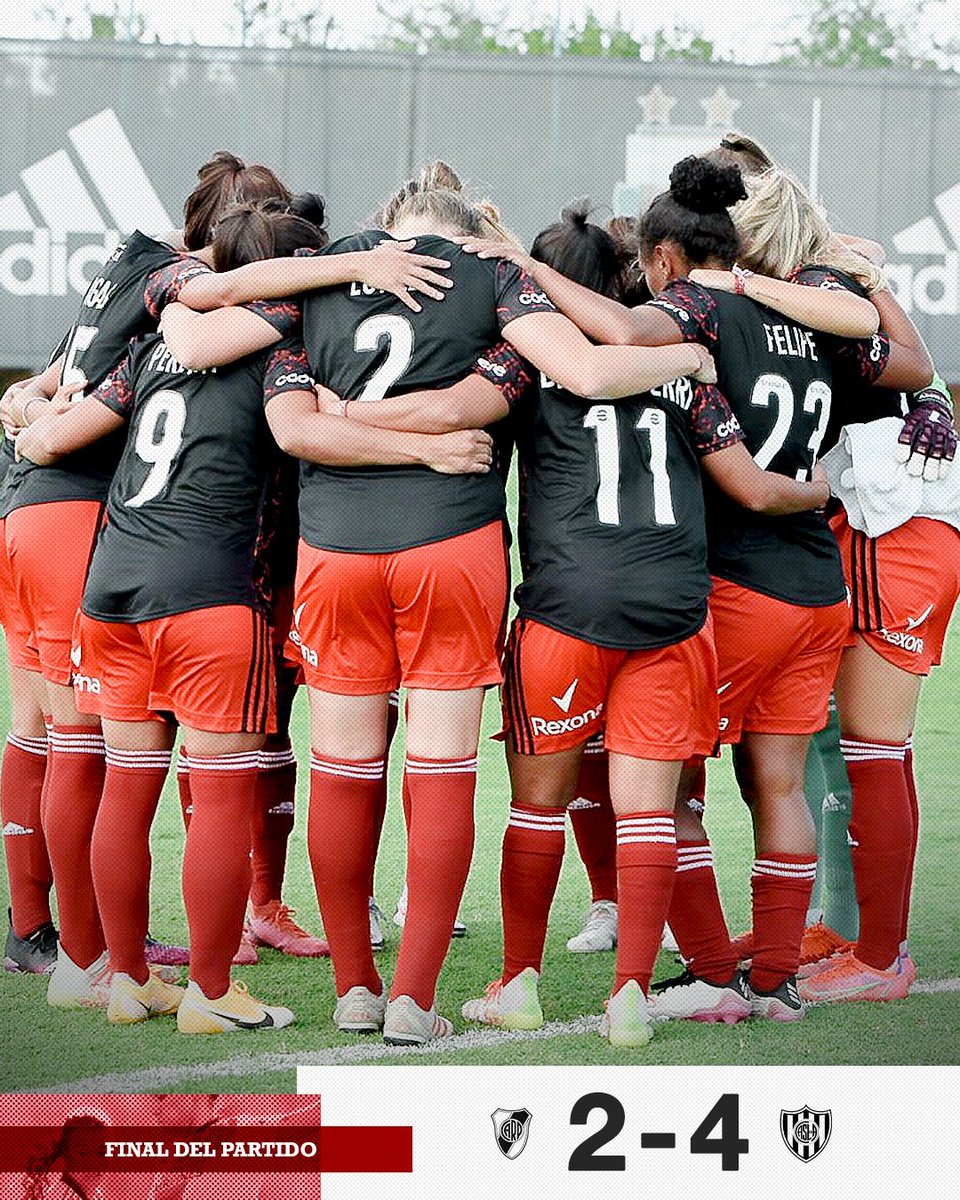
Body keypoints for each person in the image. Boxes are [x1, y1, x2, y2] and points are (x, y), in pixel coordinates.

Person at [159, 160, 725, 1044]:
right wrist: (686, 353)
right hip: (452, 550)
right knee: (441, 770)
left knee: (345, 769)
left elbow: (276, 408)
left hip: (334, 552)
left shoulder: (321, 272)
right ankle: (414, 999)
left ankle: (356, 985)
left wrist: (346, 412)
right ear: (466, 228)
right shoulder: (492, 273)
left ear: (390, 224)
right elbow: (565, 373)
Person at [447, 186, 832, 1047]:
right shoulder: (686, 372)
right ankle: (630, 996)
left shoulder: (524, 362)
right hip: (675, 610)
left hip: (567, 608)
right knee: (652, 811)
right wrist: (820, 491)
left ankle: (519, 984)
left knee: (538, 807)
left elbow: (462, 413)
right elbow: (748, 483)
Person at [724, 165, 955, 1002]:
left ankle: (882, 957)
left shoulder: (818, 287)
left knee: (873, 749)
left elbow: (908, 362)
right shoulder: (825, 280)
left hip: (891, 526)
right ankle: (853, 931)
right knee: (862, 748)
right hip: (874, 522)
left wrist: (928, 394)